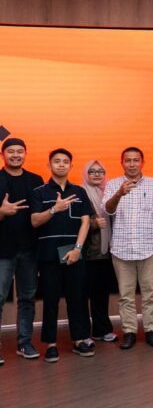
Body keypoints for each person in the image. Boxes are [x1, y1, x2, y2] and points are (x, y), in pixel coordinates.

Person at [30, 148, 95, 362]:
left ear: (71, 166)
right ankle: (51, 344)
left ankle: (79, 339)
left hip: (74, 252)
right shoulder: (39, 192)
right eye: (56, 161)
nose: (61, 165)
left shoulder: (79, 191)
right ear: (49, 165)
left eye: (65, 161)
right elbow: (34, 221)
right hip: (48, 254)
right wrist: (54, 209)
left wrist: (78, 248)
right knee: (50, 300)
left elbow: (86, 222)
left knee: (77, 298)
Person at [102, 147, 153, 350]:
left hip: (147, 246)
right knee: (125, 295)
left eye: (135, 160)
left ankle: (150, 330)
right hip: (121, 248)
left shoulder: (152, 183)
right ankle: (129, 332)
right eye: (127, 160)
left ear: (142, 162)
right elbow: (108, 209)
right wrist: (119, 193)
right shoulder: (113, 184)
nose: (132, 164)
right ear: (122, 163)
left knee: (149, 293)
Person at [0, 137, 45, 362]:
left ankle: (24, 343)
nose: (15, 155)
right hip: (2, 251)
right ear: (3, 155)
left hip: (30, 250)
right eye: (11, 151)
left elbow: (41, 215)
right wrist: (1, 212)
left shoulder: (36, 180)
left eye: (20, 151)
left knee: (27, 298)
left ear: (25, 153)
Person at [81, 159, 118, 344]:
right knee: (82, 294)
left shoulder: (109, 192)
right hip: (87, 252)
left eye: (100, 171)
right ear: (85, 174)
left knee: (101, 294)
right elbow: (74, 222)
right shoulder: (80, 193)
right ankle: (82, 334)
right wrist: (93, 224)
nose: (97, 174)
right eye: (92, 171)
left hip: (107, 252)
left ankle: (101, 330)